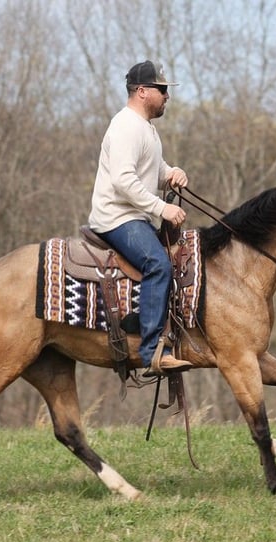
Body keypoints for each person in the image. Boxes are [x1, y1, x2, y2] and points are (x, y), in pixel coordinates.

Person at [88, 60, 194, 376]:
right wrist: (163, 209)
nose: (167, 96)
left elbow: (152, 170)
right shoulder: (125, 127)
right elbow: (124, 180)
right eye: (162, 90)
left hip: (135, 215)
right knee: (157, 264)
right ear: (142, 91)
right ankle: (151, 352)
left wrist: (171, 173)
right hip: (117, 217)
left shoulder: (145, 128)